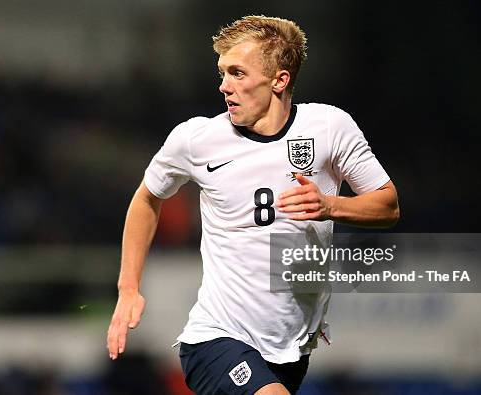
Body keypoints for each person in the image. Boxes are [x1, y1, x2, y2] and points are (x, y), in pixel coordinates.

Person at [107, 15, 399, 395]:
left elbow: (388, 206)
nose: (224, 86)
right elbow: (147, 198)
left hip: (290, 349)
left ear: (279, 80)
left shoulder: (329, 127)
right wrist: (128, 287)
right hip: (216, 338)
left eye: (238, 73)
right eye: (222, 72)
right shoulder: (197, 139)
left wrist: (330, 206)